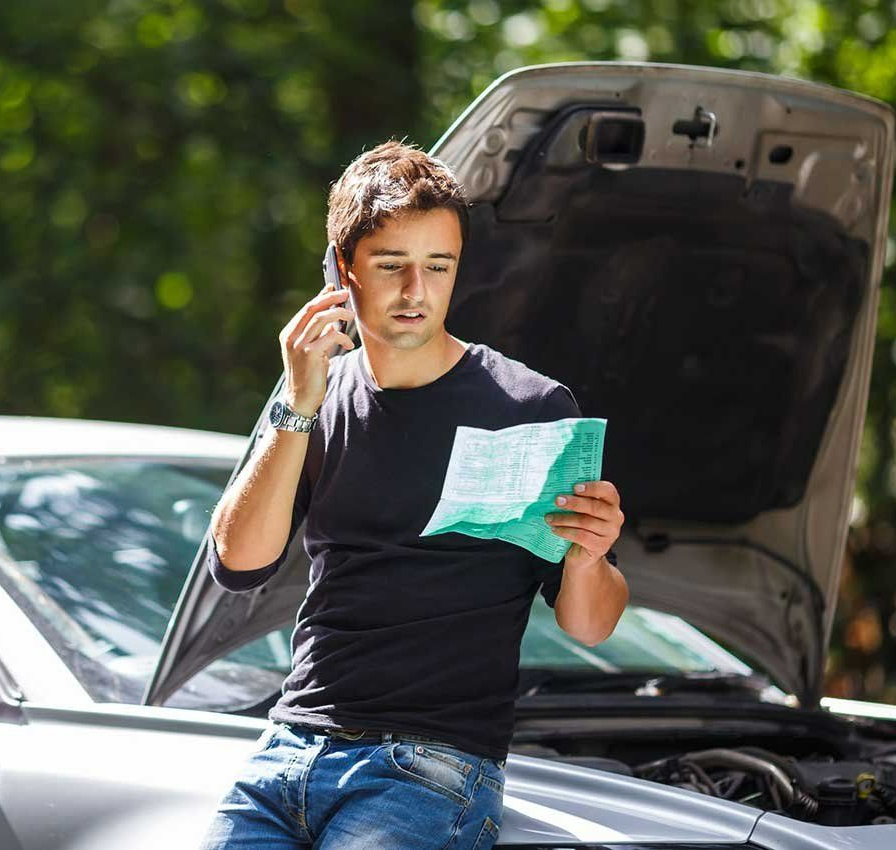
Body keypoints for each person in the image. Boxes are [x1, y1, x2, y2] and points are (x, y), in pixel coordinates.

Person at [197, 140, 628, 850]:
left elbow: (589, 625)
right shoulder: (312, 396)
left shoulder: (530, 405)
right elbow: (237, 564)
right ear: (342, 270)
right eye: (392, 266)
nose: (415, 292)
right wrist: (298, 399)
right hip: (289, 749)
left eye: (438, 267)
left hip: (432, 767)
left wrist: (589, 556)